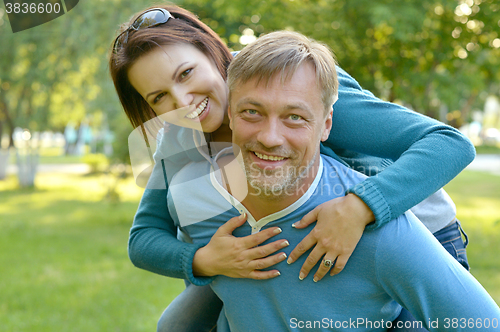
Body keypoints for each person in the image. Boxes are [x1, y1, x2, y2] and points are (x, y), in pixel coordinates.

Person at [109, 5, 475, 331]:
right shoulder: (177, 135)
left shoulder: (289, 81)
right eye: (159, 97)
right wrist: (201, 259)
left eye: (186, 73)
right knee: (175, 323)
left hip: (409, 235)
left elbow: (448, 144)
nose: (182, 102)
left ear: (212, 52)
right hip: (273, 250)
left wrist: (359, 207)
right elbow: (145, 235)